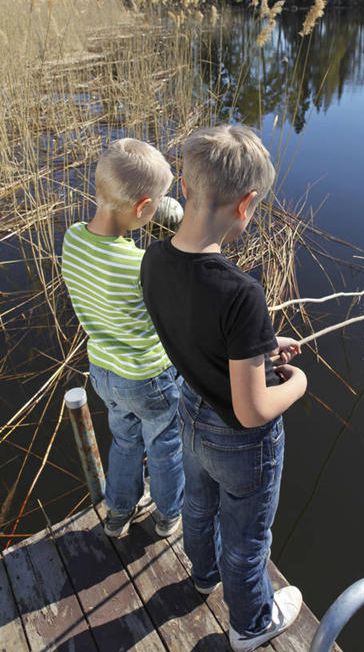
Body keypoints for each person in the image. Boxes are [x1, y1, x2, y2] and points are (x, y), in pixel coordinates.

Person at [141, 124, 308, 652]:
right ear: (247, 204)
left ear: (186, 189)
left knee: (198, 504)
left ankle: (203, 575)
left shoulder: (153, 260)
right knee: (248, 539)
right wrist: (297, 385)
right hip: (240, 441)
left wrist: (258, 344)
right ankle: (251, 624)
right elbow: (253, 409)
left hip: (190, 412)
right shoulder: (241, 292)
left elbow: (197, 332)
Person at [61, 138, 184, 539]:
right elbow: (171, 316)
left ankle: (118, 514)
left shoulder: (72, 239)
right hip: (148, 377)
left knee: (125, 441)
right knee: (165, 445)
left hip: (103, 374)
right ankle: (168, 515)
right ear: (143, 208)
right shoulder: (142, 265)